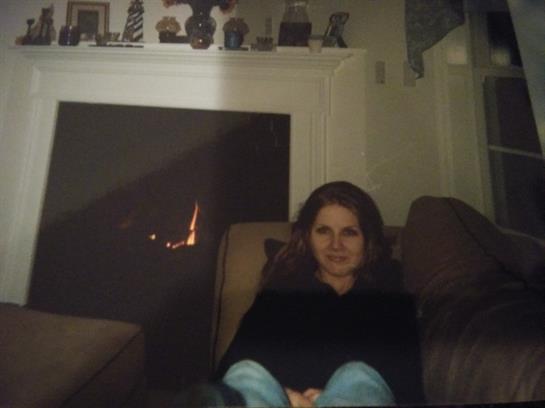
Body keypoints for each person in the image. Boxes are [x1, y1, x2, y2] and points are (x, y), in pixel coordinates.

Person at [173, 181, 425, 407]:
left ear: (368, 239)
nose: (336, 245)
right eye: (323, 231)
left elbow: (408, 388)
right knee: (247, 373)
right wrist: (285, 395)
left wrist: (328, 398)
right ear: (307, 237)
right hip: (278, 401)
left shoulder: (390, 301)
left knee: (359, 376)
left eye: (349, 232)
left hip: (356, 399)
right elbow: (230, 372)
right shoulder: (278, 297)